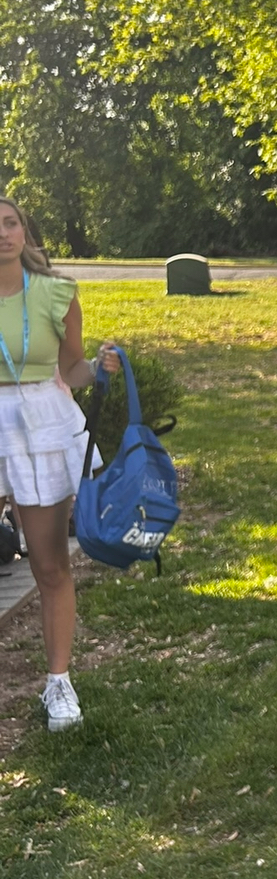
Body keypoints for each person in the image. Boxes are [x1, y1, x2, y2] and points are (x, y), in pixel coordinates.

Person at [0, 195, 120, 730]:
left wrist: (98, 367)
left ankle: (58, 684)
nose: (3, 233)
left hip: (44, 424)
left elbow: (70, 369)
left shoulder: (56, 292)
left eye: (10, 223)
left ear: (24, 232)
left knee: (49, 567)